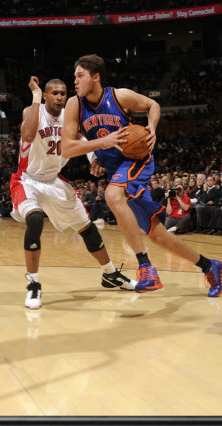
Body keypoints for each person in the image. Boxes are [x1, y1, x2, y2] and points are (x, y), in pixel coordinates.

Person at [61, 54, 222, 297]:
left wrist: (152, 128)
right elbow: (67, 147)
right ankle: (209, 265)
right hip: (118, 171)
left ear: (95, 78)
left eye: (79, 75)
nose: (74, 81)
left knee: (112, 195)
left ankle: (145, 267)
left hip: (137, 160)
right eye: (74, 76)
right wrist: (96, 153)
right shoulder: (75, 104)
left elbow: (153, 105)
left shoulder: (119, 96)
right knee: (158, 235)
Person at [10, 75, 136, 309]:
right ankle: (33, 284)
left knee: (87, 228)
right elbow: (27, 135)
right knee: (35, 219)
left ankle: (109, 274)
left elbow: (80, 137)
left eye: (63, 93)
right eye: (54, 93)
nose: (59, 97)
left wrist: (93, 157)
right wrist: (35, 96)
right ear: (46, 95)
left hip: (55, 180)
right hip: (28, 179)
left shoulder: (70, 117)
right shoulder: (33, 109)